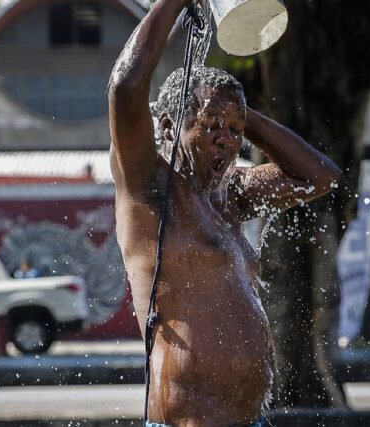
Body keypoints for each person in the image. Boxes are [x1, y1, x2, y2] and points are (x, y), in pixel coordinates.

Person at [108, 0, 341, 425]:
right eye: (210, 124)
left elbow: (320, 178)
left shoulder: (231, 195)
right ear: (168, 126)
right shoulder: (148, 187)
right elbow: (125, 88)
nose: (225, 141)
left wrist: (240, 112)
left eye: (234, 131)